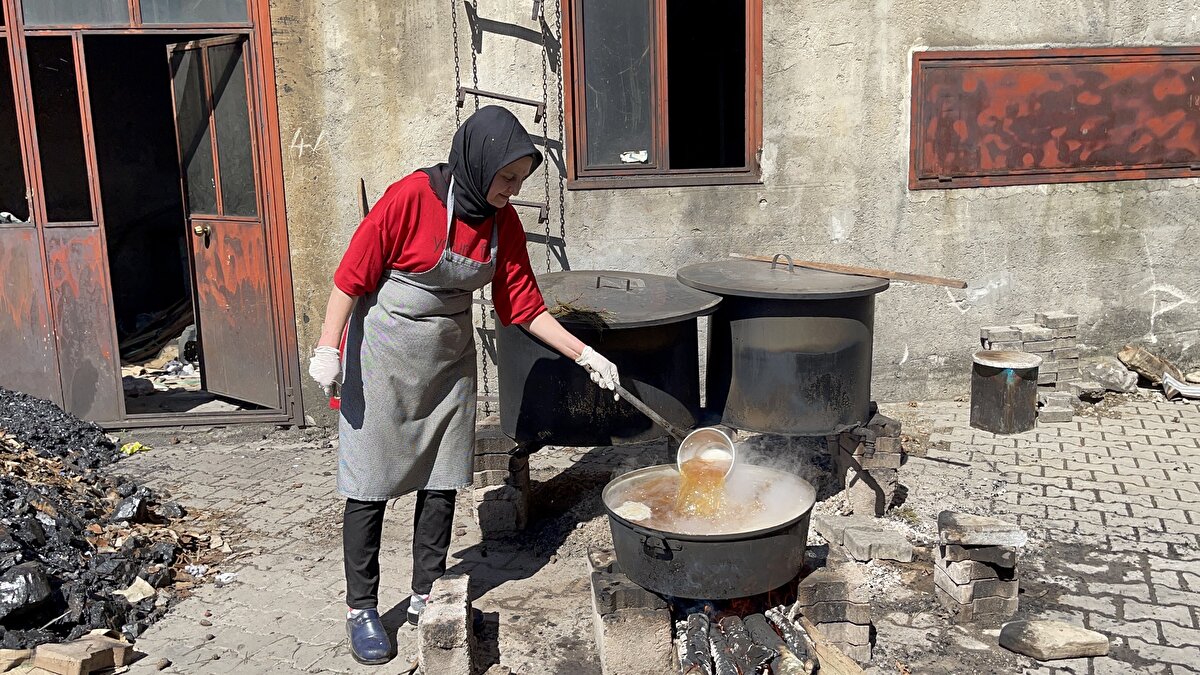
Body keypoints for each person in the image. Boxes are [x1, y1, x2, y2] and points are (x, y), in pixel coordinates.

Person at [306, 106, 620, 666]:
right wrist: (329, 347)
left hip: (448, 360)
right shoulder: (412, 197)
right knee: (370, 481)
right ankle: (362, 609)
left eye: (520, 181)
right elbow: (350, 276)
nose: (511, 191)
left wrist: (585, 353)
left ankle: (428, 592)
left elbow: (524, 307)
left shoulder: (504, 224)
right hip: (385, 355)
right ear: (477, 163)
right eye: (505, 179)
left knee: (442, 477)